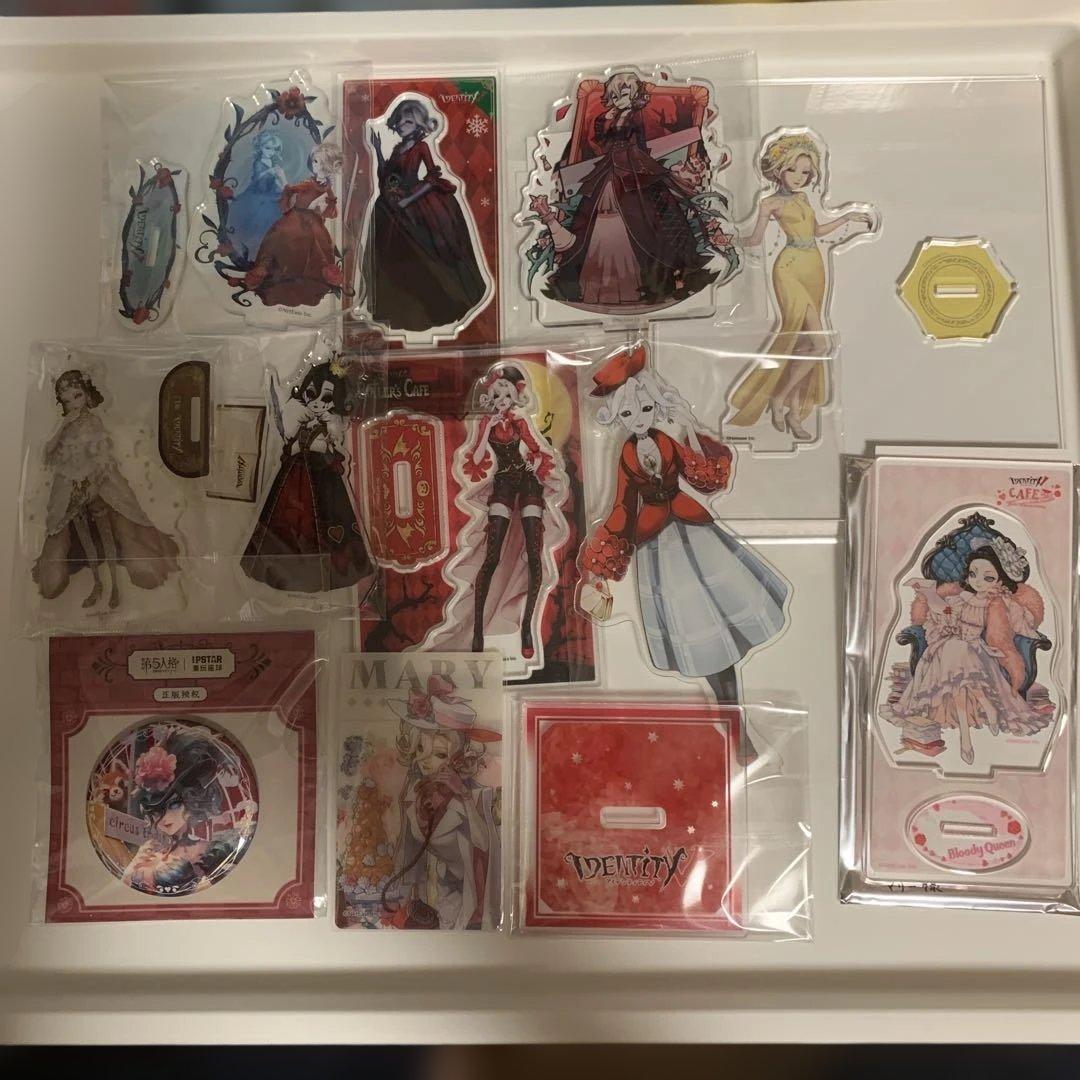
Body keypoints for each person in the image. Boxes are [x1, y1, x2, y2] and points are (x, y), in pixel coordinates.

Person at [579, 347, 789, 760]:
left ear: (656, 407)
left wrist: (691, 429)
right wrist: (601, 559)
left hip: (696, 534)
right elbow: (622, 507)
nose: (639, 419)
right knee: (701, 633)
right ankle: (736, 727)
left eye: (645, 409)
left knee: (726, 619)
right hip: (660, 549)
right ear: (617, 417)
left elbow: (706, 477)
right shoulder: (626, 455)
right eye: (628, 413)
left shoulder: (667, 440)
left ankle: (736, 722)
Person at [727, 131, 874, 440]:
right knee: (819, 344)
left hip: (814, 267)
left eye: (805, 172)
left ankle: (794, 415)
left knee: (804, 345)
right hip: (789, 268)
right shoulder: (769, 203)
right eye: (792, 169)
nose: (798, 177)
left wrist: (848, 217)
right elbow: (754, 239)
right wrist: (727, 240)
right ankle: (778, 398)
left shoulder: (804, 198)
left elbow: (817, 230)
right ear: (778, 168)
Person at [542, 71, 714, 310]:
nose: (618, 99)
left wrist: (637, 163)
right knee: (595, 213)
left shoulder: (634, 116)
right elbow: (602, 141)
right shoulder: (613, 116)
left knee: (645, 214)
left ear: (633, 96)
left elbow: (636, 142)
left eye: (623, 94)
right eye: (614, 95)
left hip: (630, 166)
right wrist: (604, 120)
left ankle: (656, 277)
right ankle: (594, 282)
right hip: (612, 166)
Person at [881, 536, 1052, 765]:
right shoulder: (963, 597)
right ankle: (969, 730)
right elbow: (946, 613)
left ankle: (968, 734)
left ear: (1000, 579)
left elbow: (1021, 624)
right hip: (950, 645)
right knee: (953, 653)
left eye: (988, 577)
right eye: (973, 574)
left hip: (977, 649)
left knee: (959, 654)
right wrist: (933, 600)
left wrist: (1032, 633)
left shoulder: (999, 602)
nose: (978, 581)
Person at [34, 369, 179, 609]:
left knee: (120, 515)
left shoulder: (93, 422)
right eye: (67, 401)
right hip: (69, 487)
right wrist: (63, 425)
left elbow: (101, 458)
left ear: (87, 394)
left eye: (77, 396)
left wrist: (91, 484)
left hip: (98, 483)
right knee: (66, 533)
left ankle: (119, 577)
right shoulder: (66, 426)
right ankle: (92, 580)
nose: (74, 404)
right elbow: (47, 455)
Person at [380, 675, 501, 930]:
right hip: (436, 891)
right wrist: (403, 898)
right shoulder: (414, 795)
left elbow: (484, 845)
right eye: (420, 750)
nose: (424, 761)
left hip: (470, 894)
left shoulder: (474, 798)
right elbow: (409, 851)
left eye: (439, 754)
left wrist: (463, 795)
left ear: (457, 758)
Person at [241, 361, 373, 594]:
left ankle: (326, 571)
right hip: (294, 475)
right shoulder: (302, 422)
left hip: (322, 478)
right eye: (311, 394)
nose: (317, 402)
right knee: (285, 518)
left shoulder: (330, 426)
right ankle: (282, 566)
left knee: (323, 520)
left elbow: (335, 450)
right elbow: (286, 432)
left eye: (327, 398)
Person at [363, 97, 487, 333]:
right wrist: (377, 150)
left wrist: (409, 200)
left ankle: (437, 303)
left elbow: (432, 177)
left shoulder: (421, 147)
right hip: (393, 204)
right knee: (392, 257)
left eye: (408, 122)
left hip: (417, 204)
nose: (402, 126)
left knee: (426, 254)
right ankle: (398, 305)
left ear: (418, 125)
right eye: (400, 121)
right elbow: (385, 178)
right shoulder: (398, 148)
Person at [123, 727, 249, 897]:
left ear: (192, 802)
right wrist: (136, 865)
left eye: (174, 805)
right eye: (155, 811)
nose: (163, 819)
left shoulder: (216, 849)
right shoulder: (151, 851)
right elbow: (126, 889)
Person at [243, 141, 343, 308]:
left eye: (318, 162)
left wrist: (325, 203)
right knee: (280, 236)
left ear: (328, 167)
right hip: (296, 217)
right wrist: (288, 199)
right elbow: (290, 189)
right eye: (314, 161)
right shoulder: (310, 183)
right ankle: (267, 268)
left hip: (312, 222)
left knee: (315, 246)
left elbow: (331, 209)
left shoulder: (326, 187)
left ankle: (307, 278)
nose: (314, 165)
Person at [228, 130, 288, 261]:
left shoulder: (273, 163)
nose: (271, 152)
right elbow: (259, 181)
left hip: (270, 194)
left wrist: (280, 182)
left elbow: (276, 183)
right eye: (267, 148)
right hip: (258, 195)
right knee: (260, 221)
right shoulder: (259, 163)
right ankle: (254, 250)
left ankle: (269, 251)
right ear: (260, 147)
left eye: (274, 149)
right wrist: (271, 172)